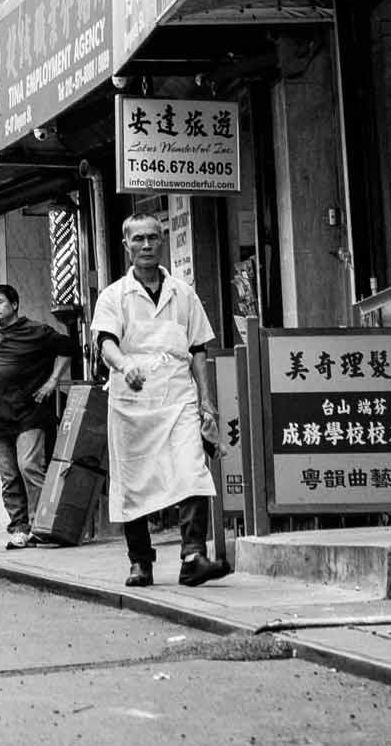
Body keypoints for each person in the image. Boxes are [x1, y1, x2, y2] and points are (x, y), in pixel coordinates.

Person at [91, 213, 229, 589]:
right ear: (126, 245)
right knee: (133, 480)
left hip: (177, 392)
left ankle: (193, 555)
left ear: (163, 240)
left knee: (191, 469)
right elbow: (105, 342)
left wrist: (207, 401)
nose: (147, 245)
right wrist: (124, 366)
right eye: (139, 239)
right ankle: (140, 561)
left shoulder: (183, 293)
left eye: (153, 237)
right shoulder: (114, 296)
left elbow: (198, 348)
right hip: (132, 398)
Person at [0, 283, 77, 549]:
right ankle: (19, 527)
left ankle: (40, 525)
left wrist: (52, 382)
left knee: (29, 467)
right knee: (9, 476)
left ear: (14, 305)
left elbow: (68, 347)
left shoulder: (36, 331)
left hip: (29, 413)